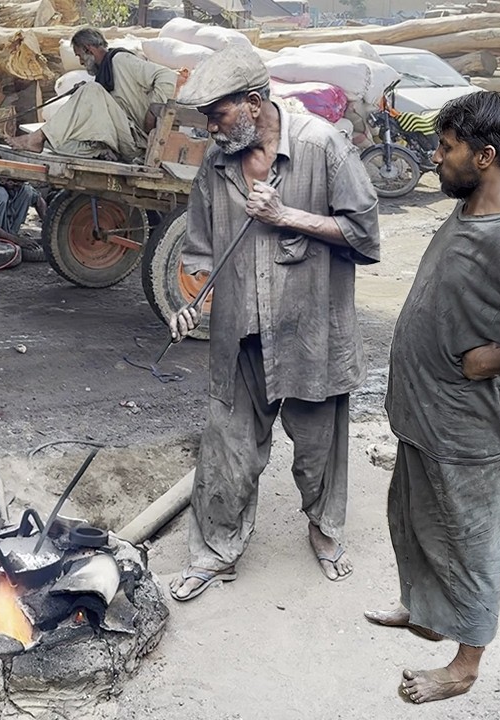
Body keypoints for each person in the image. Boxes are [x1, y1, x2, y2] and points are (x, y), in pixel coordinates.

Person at [365, 92, 500, 704]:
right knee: (414, 521)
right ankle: (426, 615)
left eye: (447, 148)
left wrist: (493, 360)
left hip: (467, 432)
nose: (434, 157)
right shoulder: (468, 213)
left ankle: (464, 667)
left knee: (471, 546)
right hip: (426, 419)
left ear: (484, 157)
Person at [166, 44, 381, 602]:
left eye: (217, 114)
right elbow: (196, 252)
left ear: (255, 104)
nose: (209, 128)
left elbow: (364, 233)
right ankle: (216, 551)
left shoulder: (322, 145)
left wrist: (285, 215)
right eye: (205, 117)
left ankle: (324, 531)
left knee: (318, 449)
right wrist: (188, 302)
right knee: (227, 449)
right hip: (240, 337)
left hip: (310, 330)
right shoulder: (215, 166)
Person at [7, 27, 177, 161]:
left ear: (89, 49)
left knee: (90, 90)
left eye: (79, 55)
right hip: (121, 135)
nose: (80, 61)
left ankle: (36, 138)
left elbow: (167, 76)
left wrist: (154, 111)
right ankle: (101, 152)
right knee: (61, 144)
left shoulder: (121, 60)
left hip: (138, 140)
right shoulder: (103, 73)